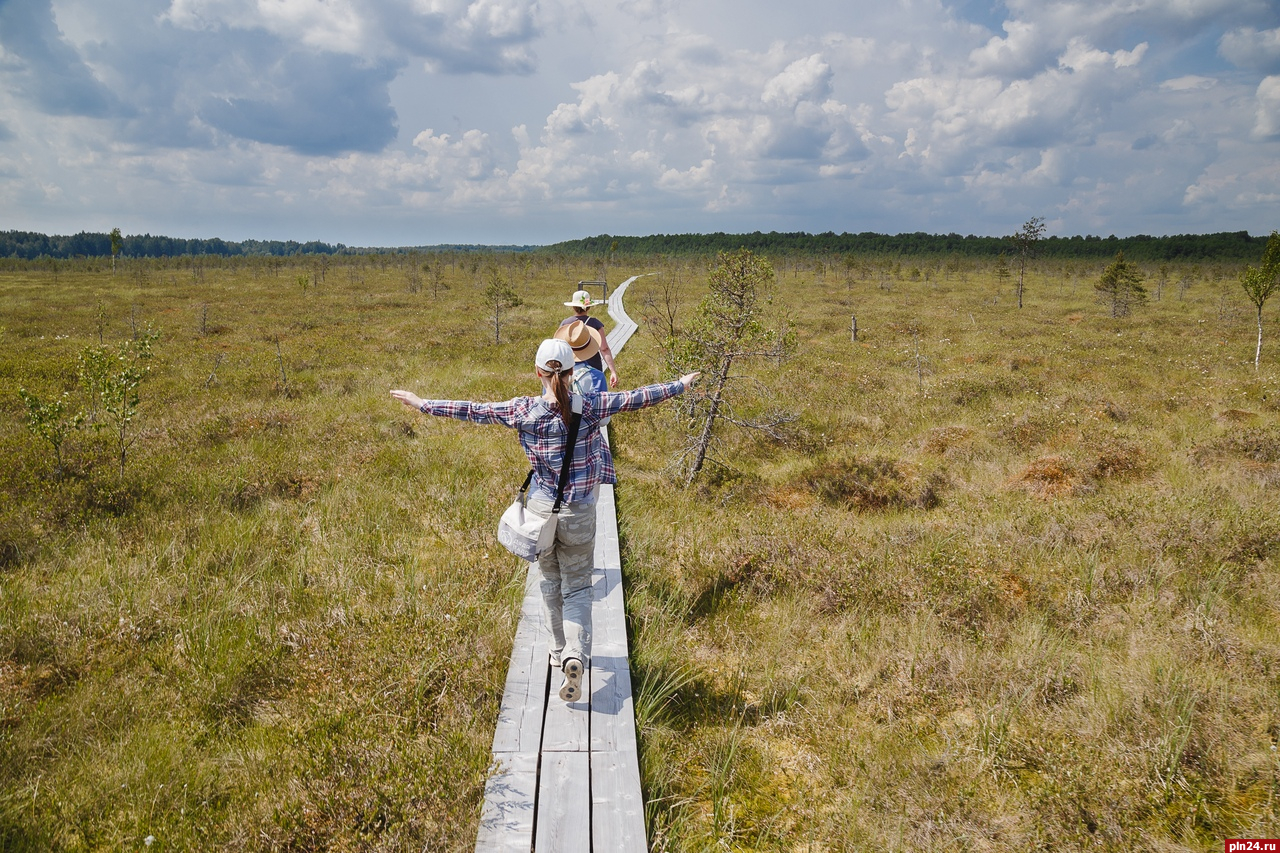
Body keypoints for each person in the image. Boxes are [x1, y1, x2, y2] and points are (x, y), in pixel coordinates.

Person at [390, 340, 699, 703]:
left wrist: (423, 403)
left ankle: (556, 650)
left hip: (540, 510)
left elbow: (473, 410)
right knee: (579, 588)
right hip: (580, 512)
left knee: (551, 581)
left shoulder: (522, 410)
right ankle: (575, 655)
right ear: (572, 374)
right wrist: (680, 384)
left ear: (538, 372)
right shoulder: (594, 405)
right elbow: (638, 397)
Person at [560, 289, 619, 388]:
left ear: (573, 307)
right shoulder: (595, 324)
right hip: (593, 369)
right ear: (589, 307)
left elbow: (559, 348)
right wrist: (613, 371)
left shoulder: (565, 324)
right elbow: (604, 349)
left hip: (569, 368)